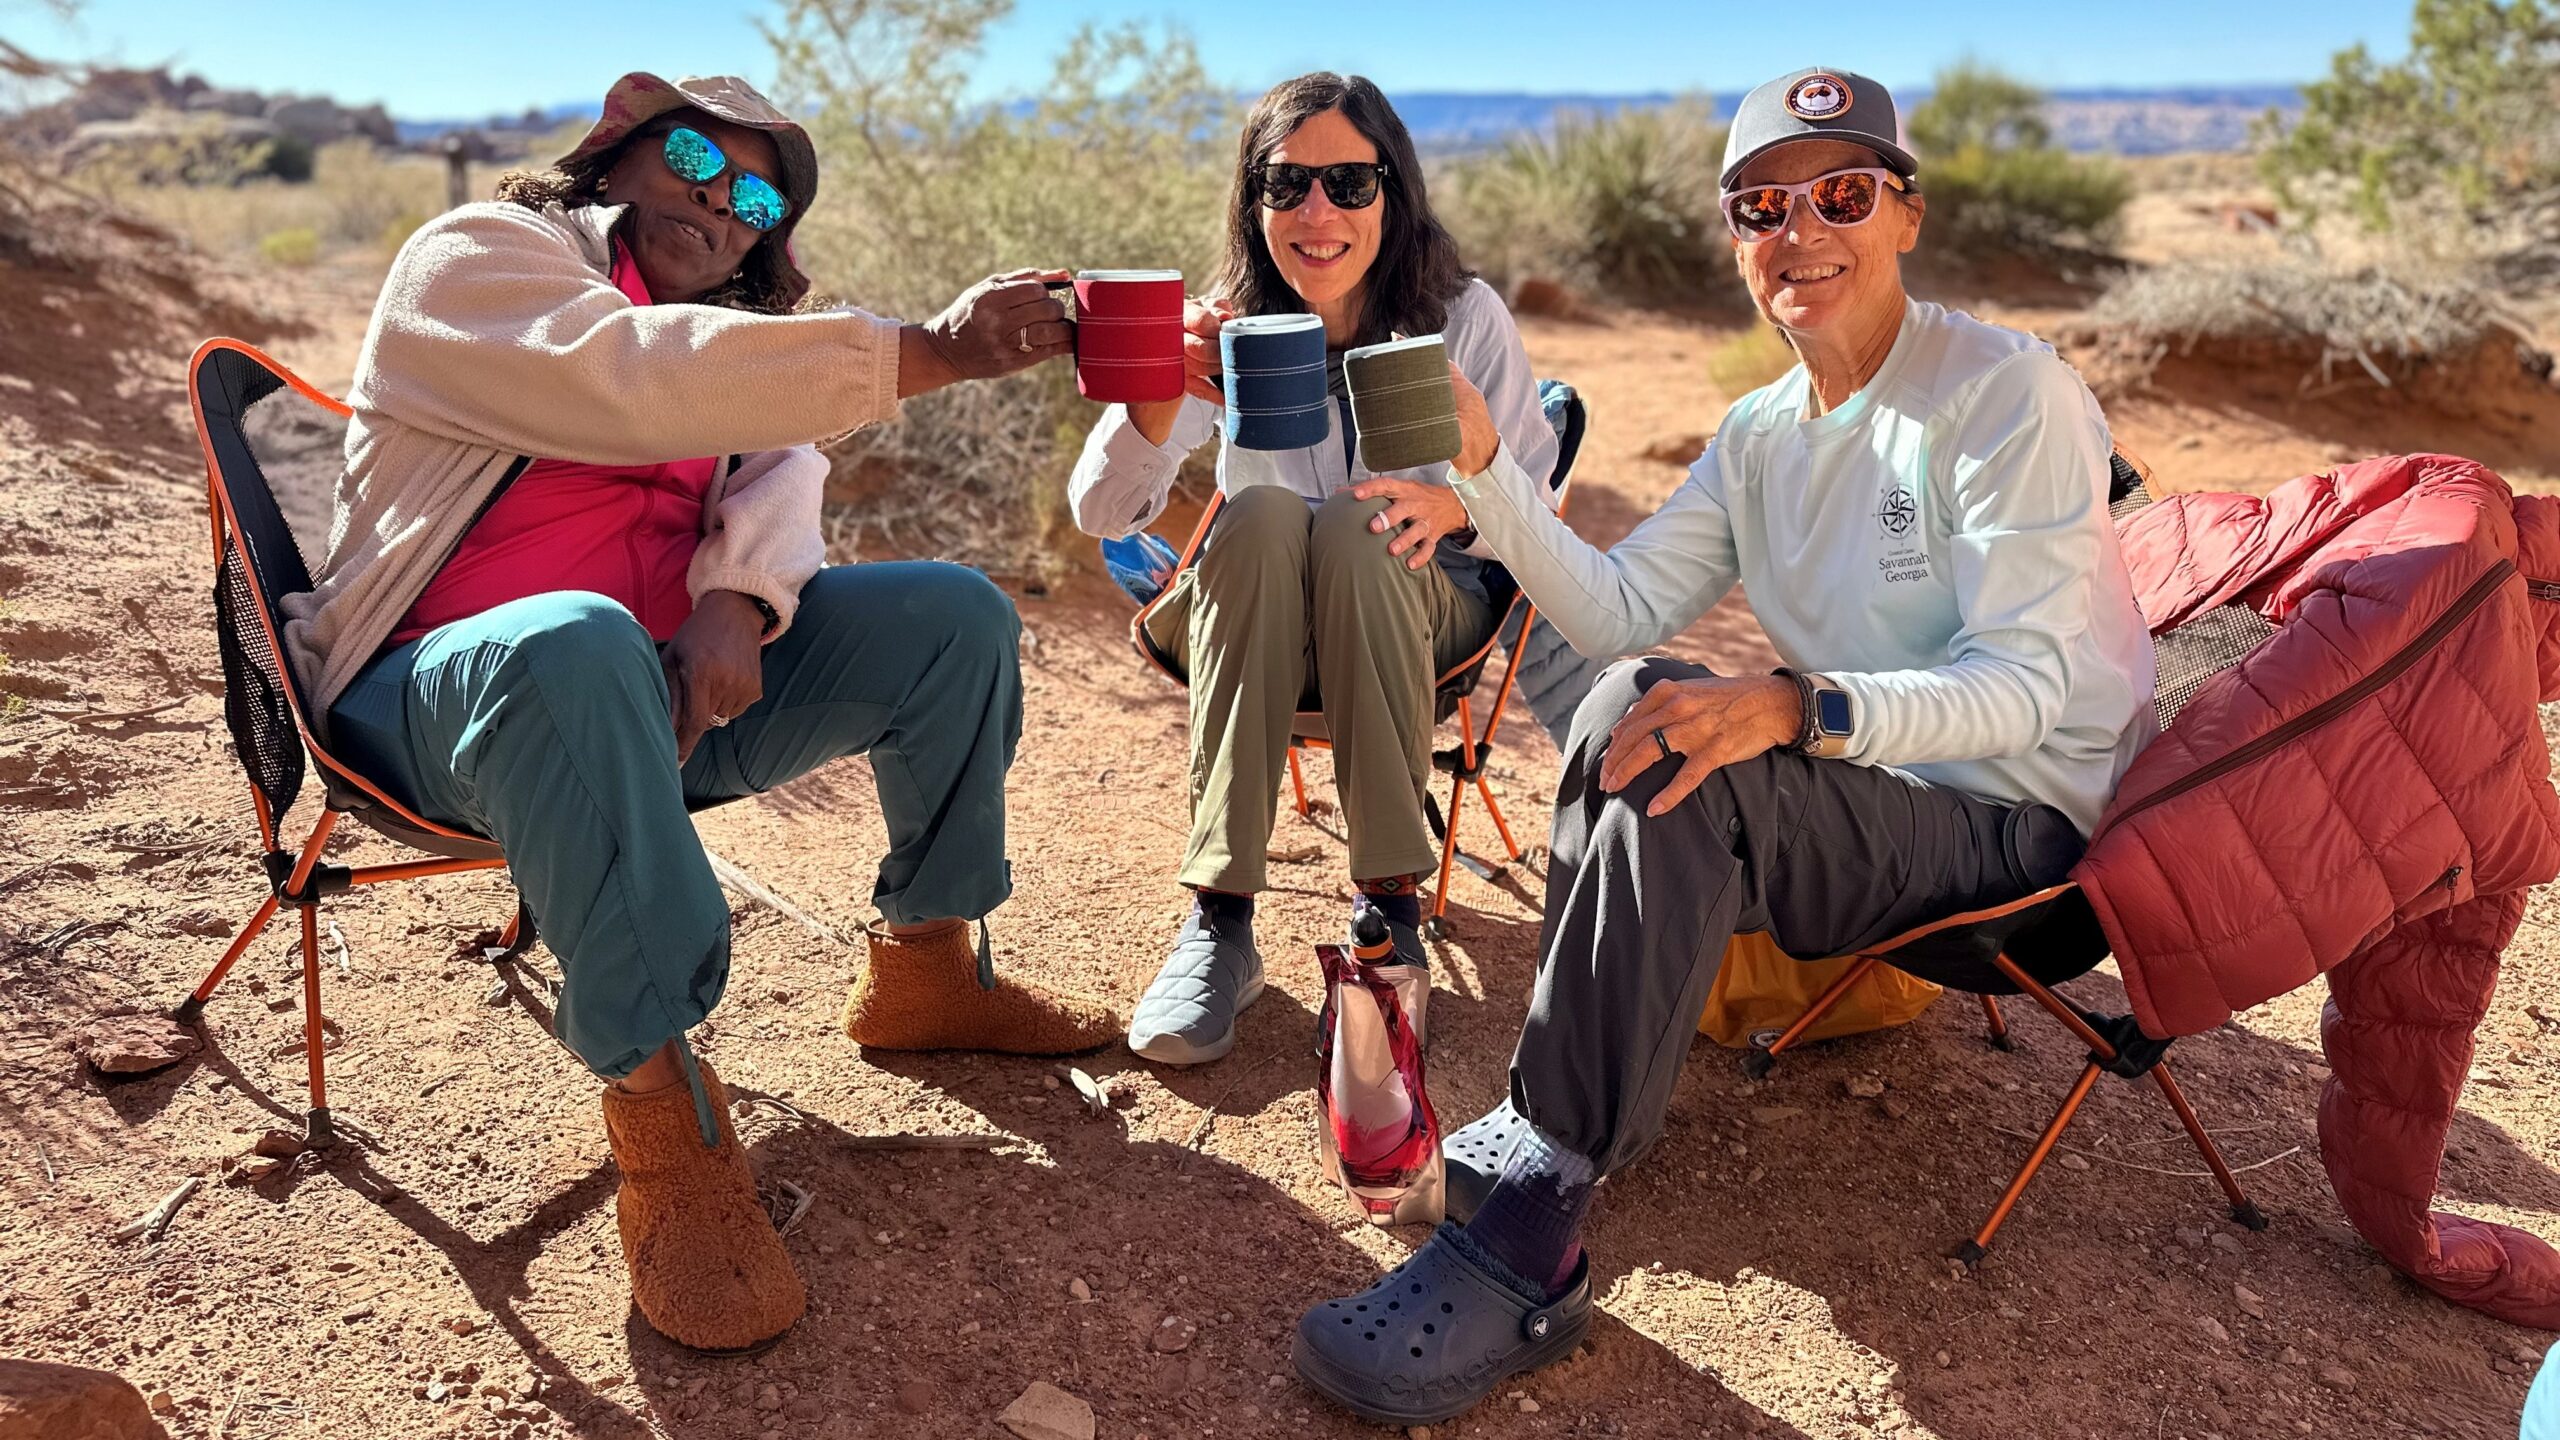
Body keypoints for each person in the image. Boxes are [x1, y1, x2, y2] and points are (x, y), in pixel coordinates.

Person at [1292, 67, 2157, 1423]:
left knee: (1708, 758)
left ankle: (1533, 1238)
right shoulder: (1761, 432)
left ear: (1907, 215)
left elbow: (2033, 688)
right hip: (1873, 790)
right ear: (1736, 236)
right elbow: (1622, 605)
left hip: (2013, 817)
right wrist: (1484, 482)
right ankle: (1544, 1129)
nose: (1798, 230)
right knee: (1640, 690)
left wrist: (1794, 706)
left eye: (1842, 194)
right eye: (1762, 205)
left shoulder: (2002, 391)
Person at [279, 72, 1118, 1355]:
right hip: (431, 693)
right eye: (695, 160)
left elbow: (784, 458)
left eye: (757, 198)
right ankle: (664, 1121)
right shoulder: (480, 256)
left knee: (954, 617)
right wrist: (933, 349)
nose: (722, 204)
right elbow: (627, 381)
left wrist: (740, 600)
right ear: (615, 157)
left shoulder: (727, 343)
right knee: (574, 639)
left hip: (662, 695)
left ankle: (929, 970)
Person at [1067, 71, 1561, 1066]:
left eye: (1349, 182)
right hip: (1263, 624)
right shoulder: (1231, 326)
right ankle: (1219, 923)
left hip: (1423, 607)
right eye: (1286, 185)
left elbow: (1537, 509)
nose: (1317, 212)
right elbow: (1101, 514)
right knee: (1254, 513)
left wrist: (1459, 499)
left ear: (1395, 193)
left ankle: (1385, 912)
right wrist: (1162, 395)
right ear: (1254, 205)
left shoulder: (1457, 318)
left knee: (1353, 525)